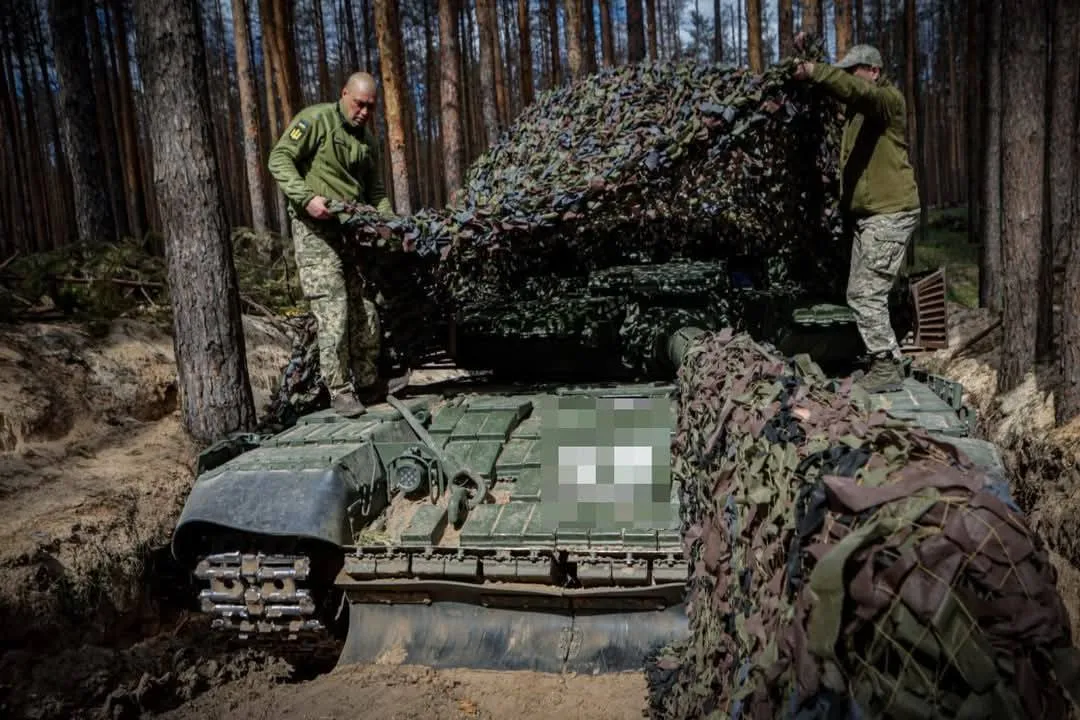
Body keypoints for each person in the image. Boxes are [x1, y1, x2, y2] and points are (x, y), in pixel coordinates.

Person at [793, 42, 921, 394]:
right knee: (859, 292)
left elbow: (853, 91)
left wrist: (816, 71)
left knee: (866, 295)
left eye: (854, 71)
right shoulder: (856, 115)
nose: (849, 77)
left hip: (889, 215)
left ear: (874, 72)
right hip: (871, 217)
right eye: (845, 71)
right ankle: (887, 359)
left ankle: (885, 366)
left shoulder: (886, 101)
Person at [268, 71, 394, 409]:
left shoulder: (368, 141)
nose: (365, 113)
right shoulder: (314, 121)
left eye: (371, 107)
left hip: (353, 232)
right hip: (315, 229)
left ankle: (368, 382)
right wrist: (306, 197)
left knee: (365, 307)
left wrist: (389, 224)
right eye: (359, 104)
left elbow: (376, 191)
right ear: (344, 94)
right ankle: (339, 390)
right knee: (333, 305)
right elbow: (279, 159)